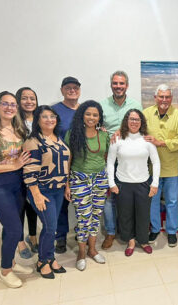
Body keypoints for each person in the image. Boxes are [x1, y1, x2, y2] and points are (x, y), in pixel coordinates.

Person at [0, 91, 33, 288]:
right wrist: (13, 166)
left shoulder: (19, 130)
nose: (9, 107)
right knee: (15, 229)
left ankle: (12, 263)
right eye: (5, 104)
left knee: (11, 227)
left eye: (13, 104)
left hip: (18, 184)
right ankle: (5, 270)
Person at [23, 105, 70, 279]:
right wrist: (36, 194)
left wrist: (66, 186)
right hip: (42, 191)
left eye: (52, 116)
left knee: (53, 227)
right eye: (45, 117)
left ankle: (50, 258)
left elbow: (64, 165)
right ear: (38, 120)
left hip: (58, 190)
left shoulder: (58, 138)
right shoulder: (33, 141)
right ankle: (42, 261)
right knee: (50, 228)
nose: (50, 119)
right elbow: (29, 171)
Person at [99, 70, 142, 250]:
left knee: (128, 196)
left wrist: (122, 131)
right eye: (115, 83)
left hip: (129, 159)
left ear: (127, 85)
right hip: (107, 157)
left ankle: (129, 232)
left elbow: (140, 128)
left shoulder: (135, 105)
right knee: (109, 197)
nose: (118, 86)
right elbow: (97, 127)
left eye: (121, 83)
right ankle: (110, 232)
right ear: (111, 85)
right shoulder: (102, 105)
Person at [108, 109, 160, 256]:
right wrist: (112, 183)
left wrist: (154, 183)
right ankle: (130, 240)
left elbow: (156, 163)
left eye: (137, 119)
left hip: (143, 184)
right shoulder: (117, 140)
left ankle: (143, 240)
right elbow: (110, 163)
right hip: (123, 184)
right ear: (126, 121)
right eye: (131, 119)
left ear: (141, 122)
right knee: (125, 215)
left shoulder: (147, 140)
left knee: (143, 214)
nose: (134, 122)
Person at [64, 101, 109, 271]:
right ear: (82, 115)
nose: (91, 117)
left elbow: (105, 157)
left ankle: (92, 250)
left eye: (95, 115)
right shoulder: (73, 134)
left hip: (99, 179)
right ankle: (81, 253)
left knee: (96, 216)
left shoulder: (104, 135)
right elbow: (67, 159)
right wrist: (67, 184)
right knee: (84, 217)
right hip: (79, 179)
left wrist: (104, 179)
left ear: (99, 117)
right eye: (88, 114)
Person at [143, 84, 178, 247]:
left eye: (167, 97)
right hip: (150, 169)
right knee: (153, 201)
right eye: (161, 96)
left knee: (172, 201)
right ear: (155, 98)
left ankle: (171, 232)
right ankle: (155, 228)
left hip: (171, 169)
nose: (164, 100)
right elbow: (137, 133)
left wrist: (160, 142)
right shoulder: (146, 114)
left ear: (171, 98)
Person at [52, 76, 81, 254]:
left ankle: (81, 232)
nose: (72, 90)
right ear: (62, 90)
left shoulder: (85, 110)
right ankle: (60, 237)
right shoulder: (54, 110)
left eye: (75, 87)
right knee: (61, 203)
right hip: (60, 164)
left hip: (81, 163)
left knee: (81, 201)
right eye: (68, 87)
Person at [15, 87, 39, 257]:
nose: (29, 101)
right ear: (18, 101)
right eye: (25, 98)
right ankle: (20, 242)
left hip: (37, 169)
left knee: (33, 205)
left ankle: (32, 236)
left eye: (32, 98)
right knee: (20, 206)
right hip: (17, 170)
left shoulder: (40, 119)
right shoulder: (13, 121)